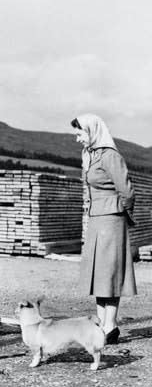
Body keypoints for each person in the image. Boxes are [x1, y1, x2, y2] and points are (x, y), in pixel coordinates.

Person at [71, 113, 136, 345]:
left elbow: (127, 191)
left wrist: (120, 214)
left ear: (92, 131)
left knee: (110, 272)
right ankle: (100, 323)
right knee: (98, 273)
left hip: (112, 218)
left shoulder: (110, 156)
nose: (78, 139)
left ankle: (111, 324)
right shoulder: (88, 154)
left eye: (80, 134)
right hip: (96, 219)